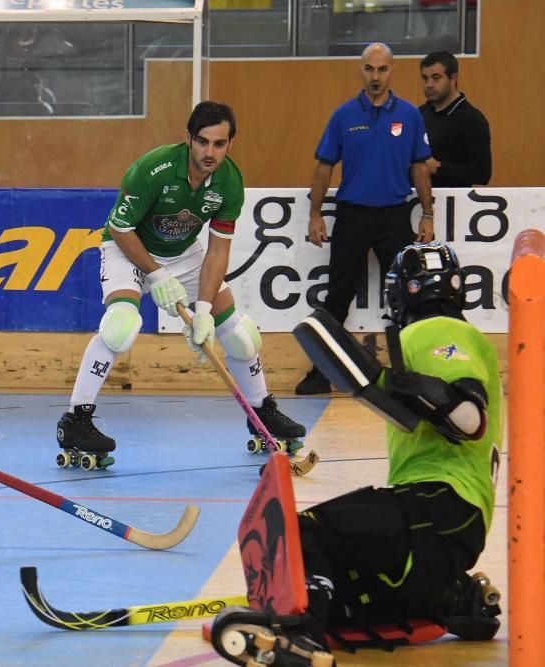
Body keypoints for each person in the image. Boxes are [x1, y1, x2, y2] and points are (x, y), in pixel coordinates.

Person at [213, 241, 502, 665]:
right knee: (336, 588)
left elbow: (467, 417)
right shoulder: (466, 338)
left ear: (404, 292)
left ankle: (301, 642)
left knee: (300, 534)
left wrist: (417, 391)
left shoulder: (437, 330)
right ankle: (449, 596)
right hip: (453, 531)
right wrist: (389, 386)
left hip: (436, 505)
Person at [55, 101, 305, 467]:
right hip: (128, 246)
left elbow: (218, 250)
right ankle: (76, 420)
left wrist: (203, 310)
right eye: (202, 142)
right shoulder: (152, 169)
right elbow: (121, 227)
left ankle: (262, 413)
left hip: (186, 254)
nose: (210, 152)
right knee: (121, 326)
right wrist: (155, 274)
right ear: (188, 138)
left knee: (240, 335)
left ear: (230, 144)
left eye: (219, 144)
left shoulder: (229, 182)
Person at [297, 42, 435, 395]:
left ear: (393, 71)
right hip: (352, 216)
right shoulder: (343, 116)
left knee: (408, 296)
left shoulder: (410, 115)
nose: (376, 76)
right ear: (361, 71)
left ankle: (411, 374)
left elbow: (419, 167)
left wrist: (428, 214)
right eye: (370, 69)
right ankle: (320, 373)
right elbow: (323, 167)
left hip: (394, 216)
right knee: (336, 298)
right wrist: (314, 214)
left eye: (382, 69)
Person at [419, 50, 492, 188]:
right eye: (425, 78)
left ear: (453, 79)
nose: (429, 84)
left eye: (436, 78)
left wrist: (439, 168)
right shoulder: (419, 114)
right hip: (417, 201)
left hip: (455, 204)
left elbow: (483, 173)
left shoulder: (472, 119)